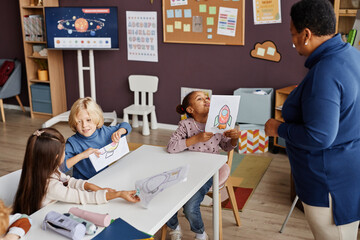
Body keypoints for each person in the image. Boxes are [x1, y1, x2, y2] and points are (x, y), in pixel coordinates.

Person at [264, 0, 360, 239]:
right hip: (348, 170)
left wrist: (279, 129)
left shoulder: (326, 72)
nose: (293, 40)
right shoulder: (351, 54)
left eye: (293, 34)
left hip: (329, 184)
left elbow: (319, 136)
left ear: (306, 34)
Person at [12, 128, 140, 216]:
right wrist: (119, 194)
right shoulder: (50, 186)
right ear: (56, 157)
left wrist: (94, 187)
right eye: (64, 150)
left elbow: (68, 181)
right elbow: (84, 197)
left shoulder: (42, 170)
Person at [166, 91, 239, 240]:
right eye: (200, 99)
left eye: (207, 97)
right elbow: (171, 147)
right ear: (190, 110)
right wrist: (195, 139)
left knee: (190, 208)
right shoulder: (185, 125)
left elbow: (226, 147)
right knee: (165, 196)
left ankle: (200, 234)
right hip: (186, 168)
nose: (206, 100)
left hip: (209, 171)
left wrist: (234, 140)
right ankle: (174, 227)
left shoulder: (219, 123)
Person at [60, 97, 132, 180]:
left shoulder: (104, 132)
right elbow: (61, 167)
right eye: (79, 121)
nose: (84, 125)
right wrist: (82, 155)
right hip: (83, 184)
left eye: (88, 120)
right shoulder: (73, 143)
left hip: (105, 178)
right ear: (74, 123)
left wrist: (120, 132)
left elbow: (126, 125)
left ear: (96, 119)